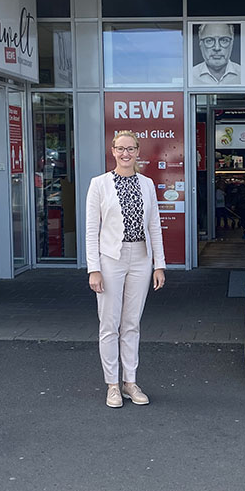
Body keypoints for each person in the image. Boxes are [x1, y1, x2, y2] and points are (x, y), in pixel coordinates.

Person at [86, 130, 166, 408]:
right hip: (110, 258)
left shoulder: (147, 184)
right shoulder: (99, 184)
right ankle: (112, 385)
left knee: (131, 324)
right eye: (121, 149)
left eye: (131, 149)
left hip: (141, 257)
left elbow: (154, 225)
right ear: (112, 150)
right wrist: (93, 268)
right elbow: (91, 230)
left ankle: (130, 382)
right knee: (109, 324)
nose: (125, 154)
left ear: (138, 151)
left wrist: (160, 264)